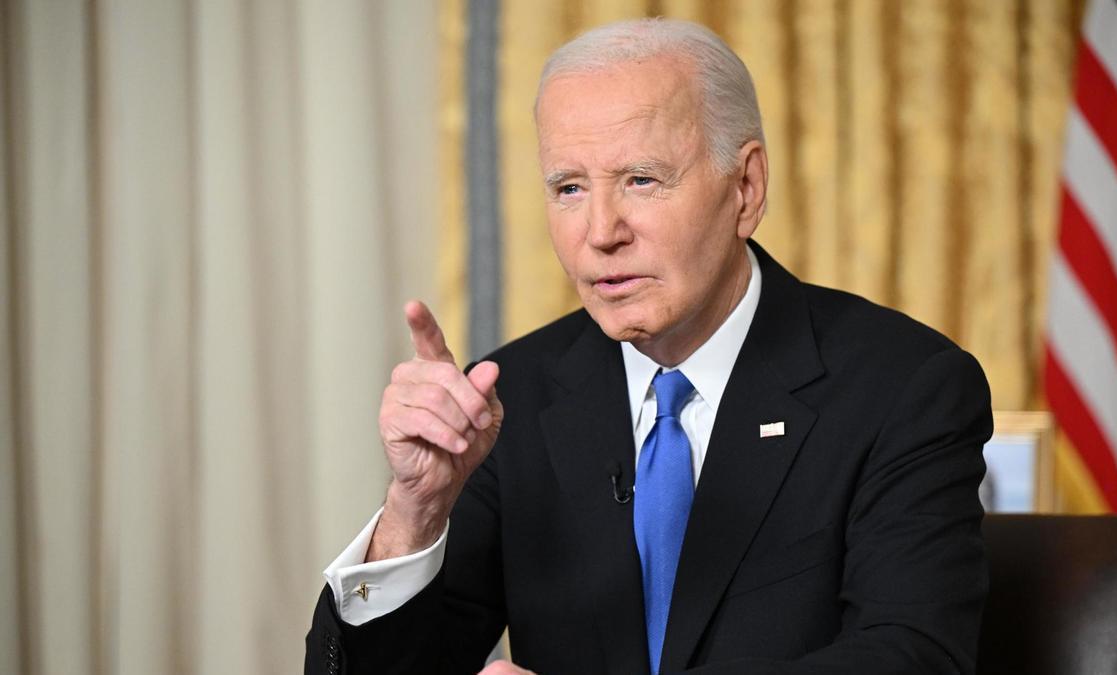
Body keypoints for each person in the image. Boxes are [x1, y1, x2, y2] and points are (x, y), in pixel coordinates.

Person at [306, 17, 991, 675]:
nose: (601, 231)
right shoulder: (510, 396)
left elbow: (911, 657)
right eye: (569, 188)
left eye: (641, 179)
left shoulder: (903, 387)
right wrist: (414, 512)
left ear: (745, 188)